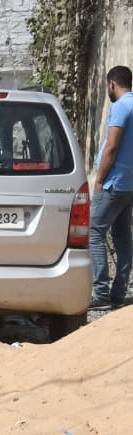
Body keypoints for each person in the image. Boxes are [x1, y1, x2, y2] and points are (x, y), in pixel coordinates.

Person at [89, 65, 133, 310]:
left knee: (94, 231)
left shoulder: (120, 107)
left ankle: (102, 293)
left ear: (112, 85)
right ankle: (119, 292)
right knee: (123, 236)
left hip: (114, 183)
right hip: (130, 184)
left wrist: (99, 178)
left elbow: (112, 147)